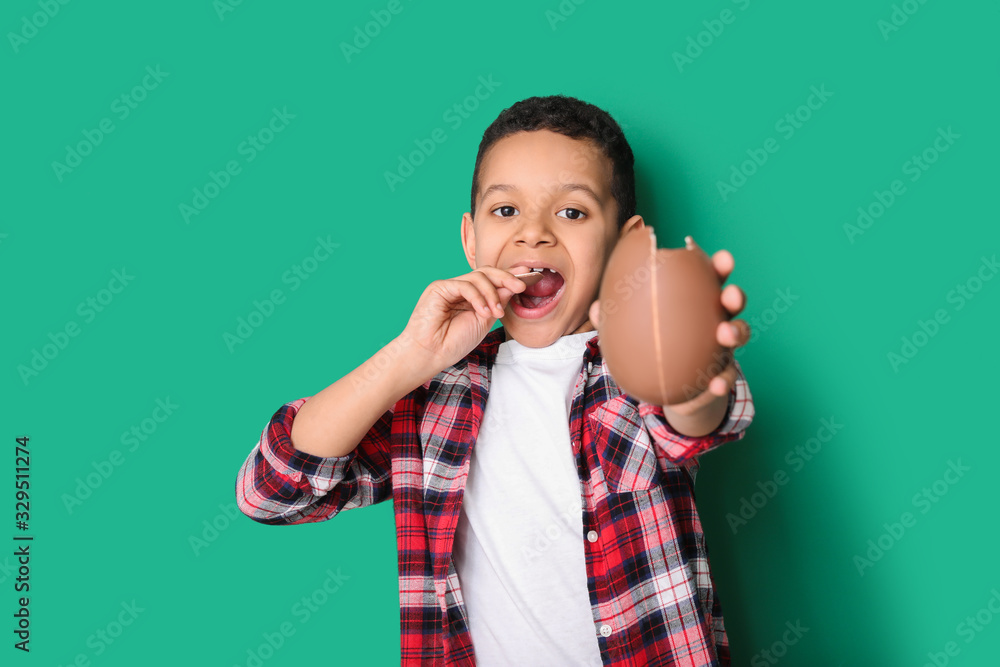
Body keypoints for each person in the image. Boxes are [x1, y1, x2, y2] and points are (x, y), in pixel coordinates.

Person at [235, 94, 755, 666]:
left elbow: (691, 419)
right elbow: (271, 491)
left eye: (572, 212)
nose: (533, 234)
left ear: (625, 243)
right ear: (470, 238)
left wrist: (690, 377)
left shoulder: (636, 360)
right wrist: (410, 355)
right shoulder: (435, 394)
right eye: (505, 211)